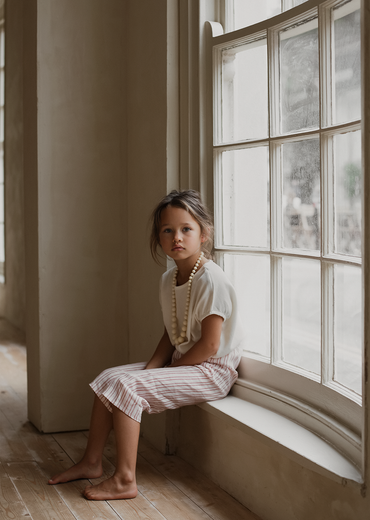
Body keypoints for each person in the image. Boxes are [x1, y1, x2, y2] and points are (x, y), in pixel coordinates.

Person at [48, 189, 244, 501]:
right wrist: (152, 368)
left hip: (211, 370)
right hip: (185, 360)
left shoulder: (211, 279)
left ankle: (126, 479)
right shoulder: (170, 279)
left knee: (126, 387)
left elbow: (209, 345)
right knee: (108, 380)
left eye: (186, 229)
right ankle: (91, 462)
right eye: (167, 231)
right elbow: (172, 332)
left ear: (204, 234)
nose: (176, 237)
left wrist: (166, 371)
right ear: (158, 237)